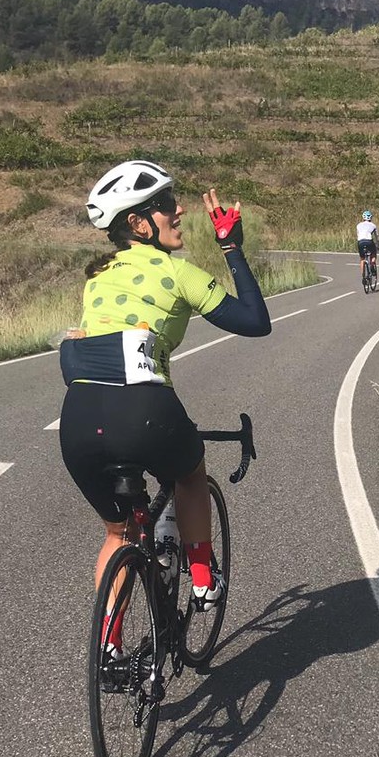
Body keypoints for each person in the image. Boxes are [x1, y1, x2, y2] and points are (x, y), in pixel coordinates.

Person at [59, 159, 271, 617]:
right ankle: (201, 580)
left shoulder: (97, 277)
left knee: (118, 535)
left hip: (77, 419)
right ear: (137, 223)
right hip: (144, 411)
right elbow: (255, 323)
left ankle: (110, 650)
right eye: (166, 205)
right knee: (189, 473)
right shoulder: (177, 272)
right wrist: (231, 247)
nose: (179, 211)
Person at [355, 209, 379, 283]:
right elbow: (377, 237)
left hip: (360, 242)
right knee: (373, 253)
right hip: (369, 241)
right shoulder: (373, 225)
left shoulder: (358, 225)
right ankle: (372, 264)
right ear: (371, 218)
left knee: (362, 259)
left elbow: (358, 235)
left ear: (363, 218)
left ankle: (363, 276)